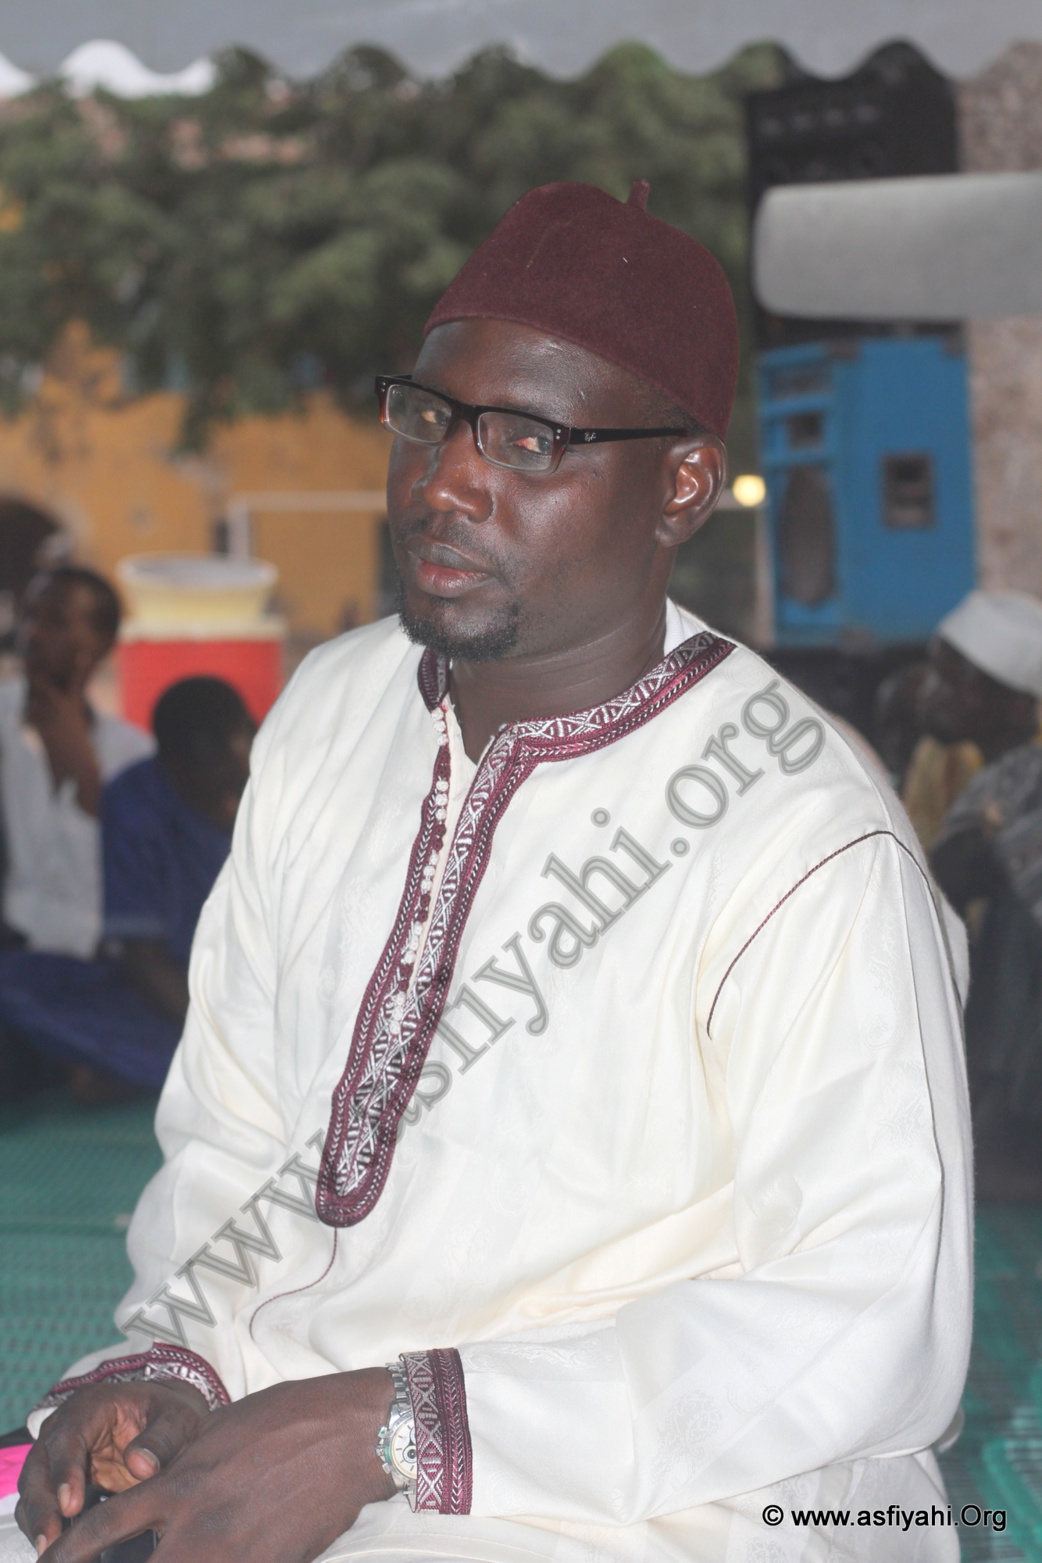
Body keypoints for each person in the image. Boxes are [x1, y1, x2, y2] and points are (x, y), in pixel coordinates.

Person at [10, 182, 971, 1563]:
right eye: (430, 415)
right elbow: (232, 1132)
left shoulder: (803, 833)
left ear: (681, 485)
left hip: (681, 1493)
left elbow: (867, 1317)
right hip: (300, 1428)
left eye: (529, 439)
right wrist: (169, 1375)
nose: (446, 480)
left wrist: (384, 1430)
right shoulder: (330, 714)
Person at [0, 677, 254, 1097]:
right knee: (16, 984)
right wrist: (228, 1044)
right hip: (176, 1003)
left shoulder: (295, 788)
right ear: (169, 765)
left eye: (234, 786)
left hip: (276, 1002)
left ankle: (155, 1074)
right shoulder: (134, 804)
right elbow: (145, 961)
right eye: (212, 794)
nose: (228, 806)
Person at [923, 591, 1042, 1196]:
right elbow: (949, 872)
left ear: (1016, 704)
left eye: (956, 685)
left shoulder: (1029, 784)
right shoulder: (999, 779)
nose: (934, 700)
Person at [0, 567, 153, 957]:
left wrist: (86, 779)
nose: (32, 633)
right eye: (30, 616)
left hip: (93, 961)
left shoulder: (131, 755)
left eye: (56, 622)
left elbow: (118, 883)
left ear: (100, 644)